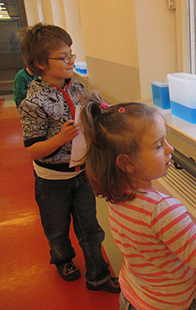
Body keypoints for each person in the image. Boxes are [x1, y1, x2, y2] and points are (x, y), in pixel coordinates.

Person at [79, 93, 196, 310]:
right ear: (127, 163)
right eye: (158, 145)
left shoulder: (117, 194)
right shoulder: (161, 211)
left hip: (131, 296)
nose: (170, 149)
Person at [18, 22, 120, 293]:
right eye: (64, 58)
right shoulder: (33, 102)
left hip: (82, 173)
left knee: (90, 227)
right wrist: (60, 138)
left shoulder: (77, 88)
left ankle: (98, 275)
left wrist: (103, 111)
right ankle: (62, 259)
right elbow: (33, 150)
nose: (71, 61)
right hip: (52, 180)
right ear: (40, 63)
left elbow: (93, 108)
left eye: (71, 54)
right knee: (57, 227)